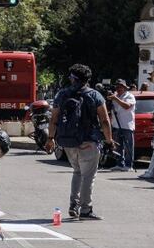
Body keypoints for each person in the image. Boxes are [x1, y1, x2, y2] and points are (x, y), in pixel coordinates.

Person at [45, 64, 115, 220]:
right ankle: (85, 209)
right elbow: (104, 120)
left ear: (72, 78)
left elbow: (54, 119)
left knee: (77, 172)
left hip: (68, 141)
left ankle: (73, 204)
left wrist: (50, 139)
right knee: (88, 176)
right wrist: (109, 140)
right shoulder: (95, 95)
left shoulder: (61, 94)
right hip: (88, 141)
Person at [107, 79, 136, 171]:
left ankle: (128, 165)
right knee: (118, 146)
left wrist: (115, 99)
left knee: (128, 146)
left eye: (120, 87)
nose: (118, 89)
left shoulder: (129, 96)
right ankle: (119, 164)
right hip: (116, 124)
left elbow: (127, 106)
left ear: (124, 87)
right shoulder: (114, 96)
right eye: (117, 87)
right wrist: (109, 99)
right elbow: (109, 108)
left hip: (127, 124)